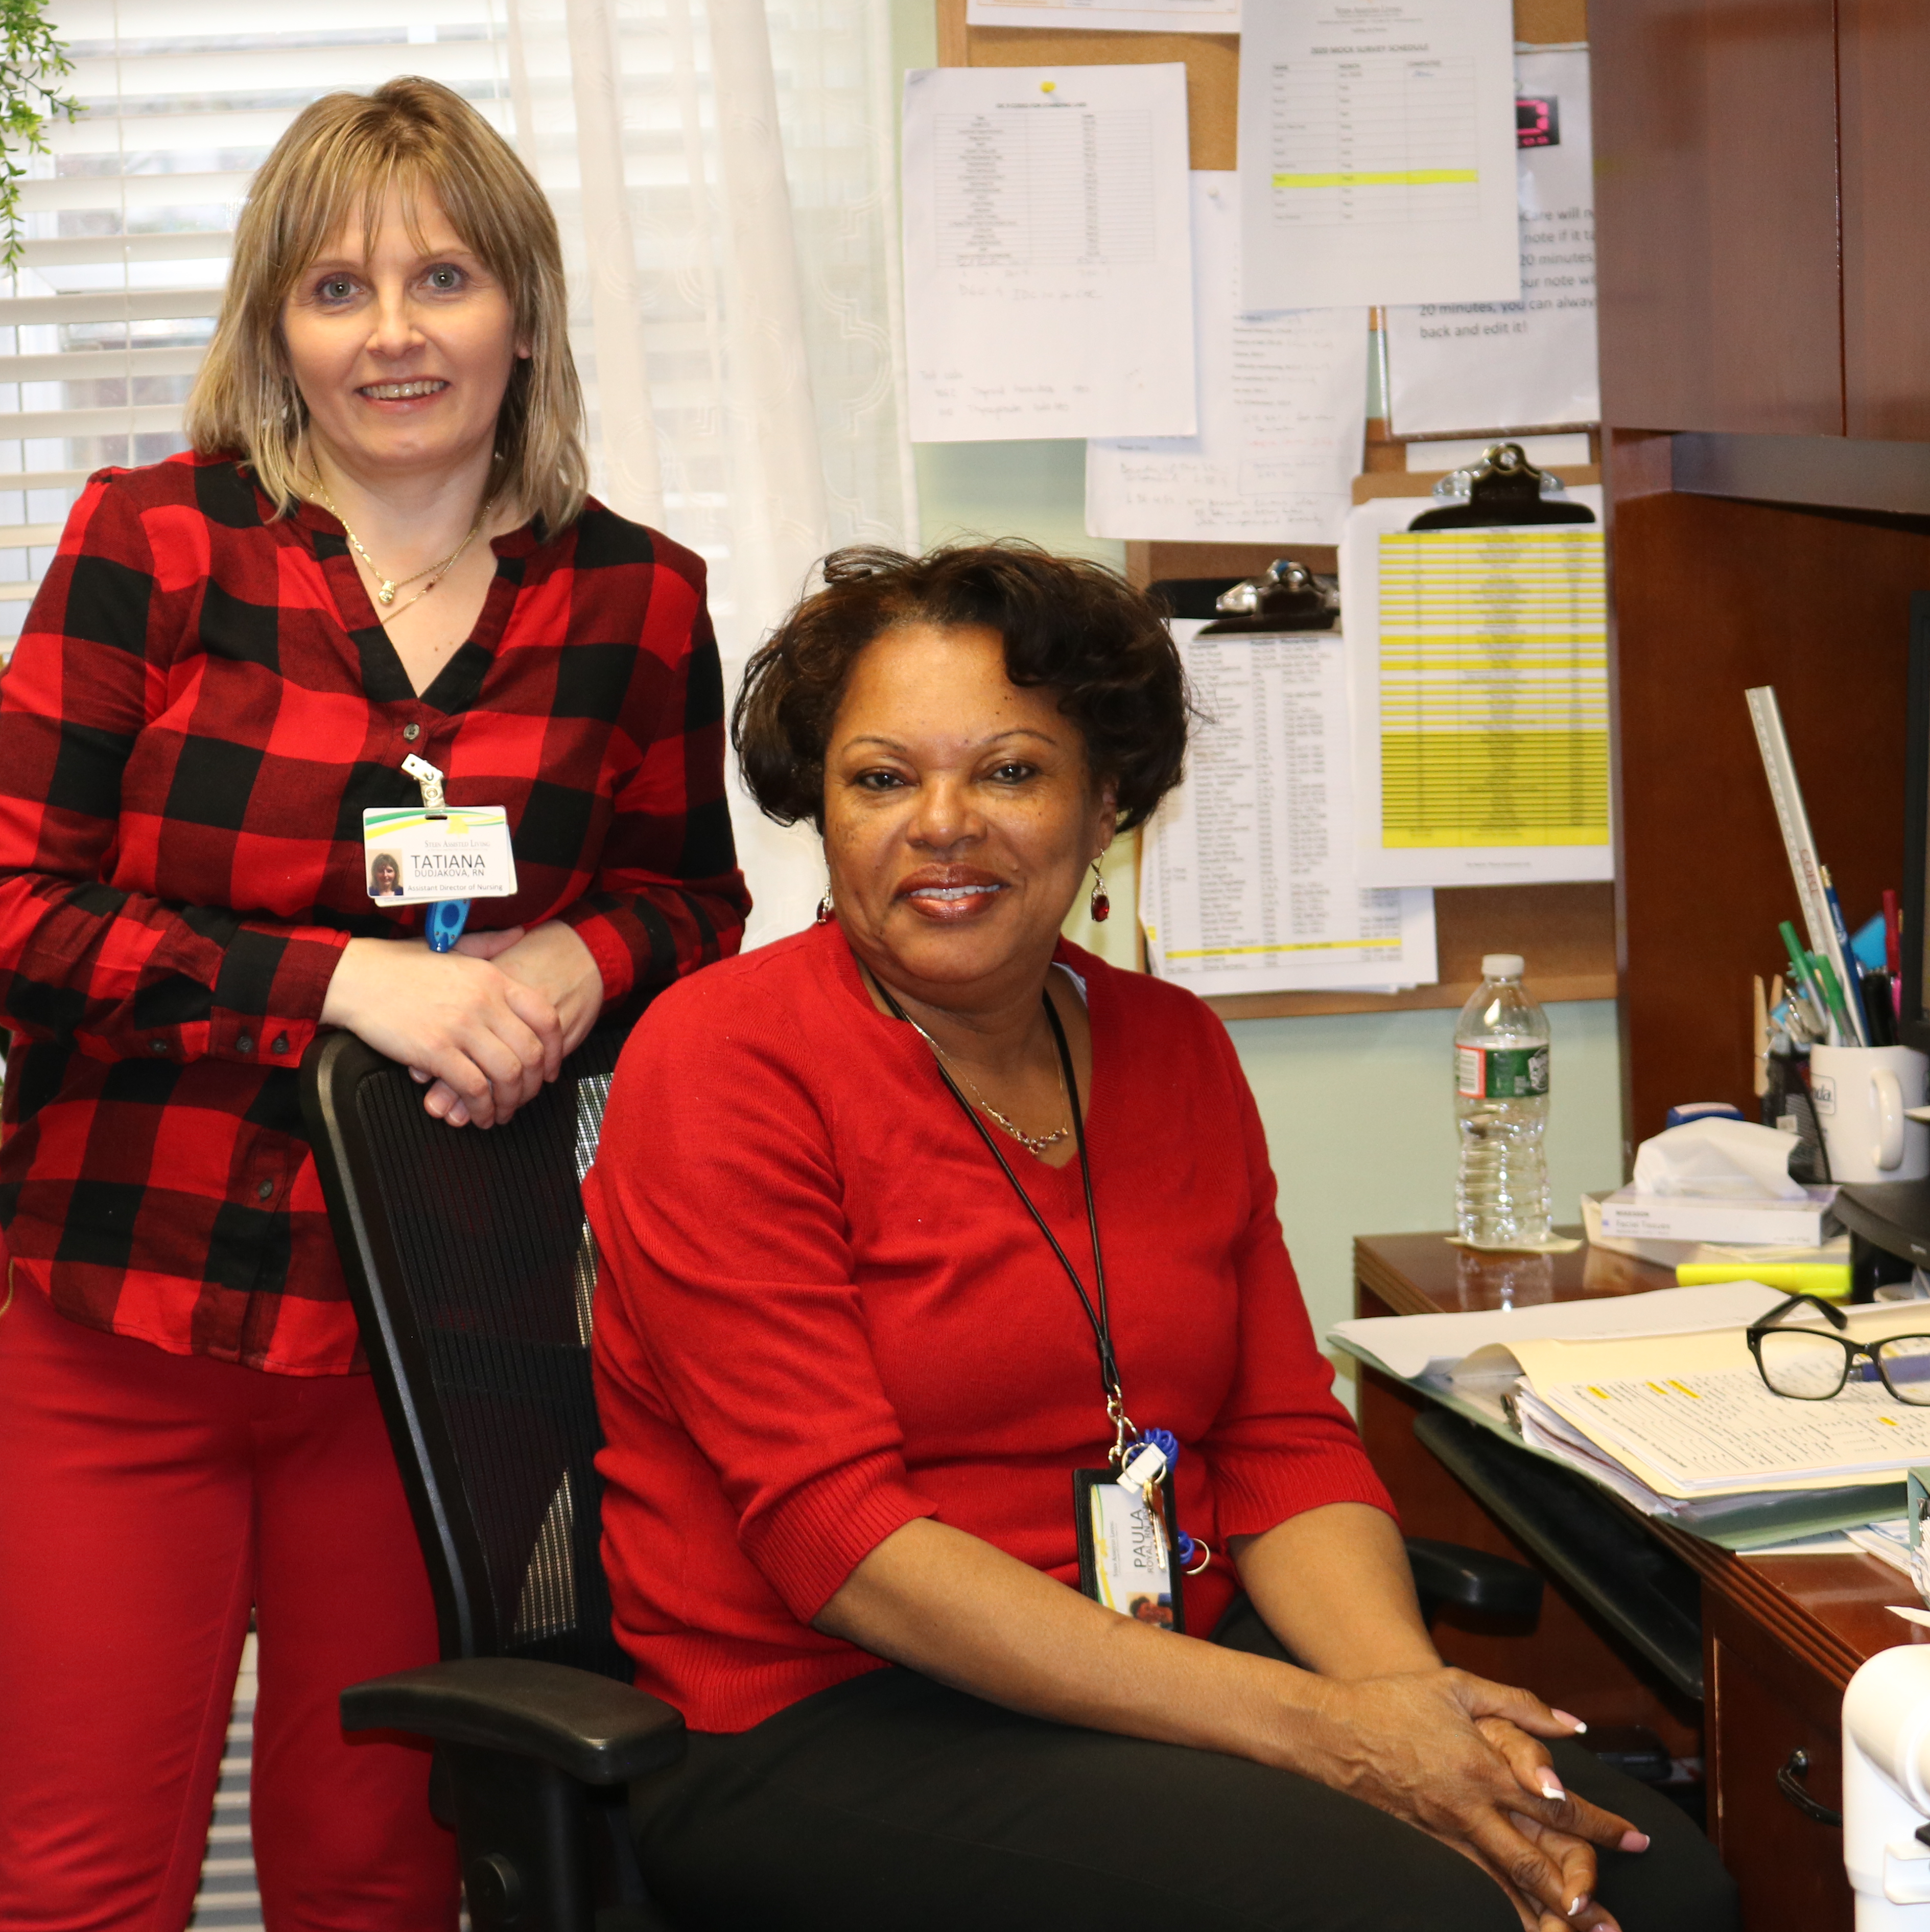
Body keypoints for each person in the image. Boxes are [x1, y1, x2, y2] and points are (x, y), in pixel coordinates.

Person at [584, 544, 1736, 1932]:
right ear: (821, 811)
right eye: (881, 778)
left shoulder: (1169, 1045)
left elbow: (1278, 1441)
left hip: (1165, 1668)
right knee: (1422, 1918)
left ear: (1106, 799)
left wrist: (1406, 1707)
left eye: (1010, 771)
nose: (942, 824)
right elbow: (844, 1542)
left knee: (1667, 1892)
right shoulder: (721, 1061)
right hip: (832, 1718)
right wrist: (1331, 1737)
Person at [0, 77, 749, 1932]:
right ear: (274, 329)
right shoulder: (154, 547)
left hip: (435, 1340)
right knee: (76, 1892)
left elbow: (691, 900)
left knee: (378, 1881)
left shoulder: (641, 600)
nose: (394, 333)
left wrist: (575, 959)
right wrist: (343, 982)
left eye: (443, 278)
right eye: (337, 289)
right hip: (122, 1316)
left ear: (520, 314)